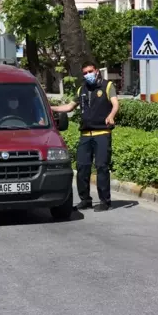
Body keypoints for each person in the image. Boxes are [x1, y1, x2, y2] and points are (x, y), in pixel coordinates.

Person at [52, 62, 119, 211]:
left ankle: (104, 201)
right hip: (85, 135)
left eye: (90, 71)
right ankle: (85, 199)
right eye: (85, 73)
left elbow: (115, 104)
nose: (87, 74)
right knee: (82, 167)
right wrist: (50, 108)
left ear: (96, 71)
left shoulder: (107, 86)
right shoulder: (81, 89)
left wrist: (111, 115)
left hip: (102, 133)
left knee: (101, 167)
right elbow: (69, 107)